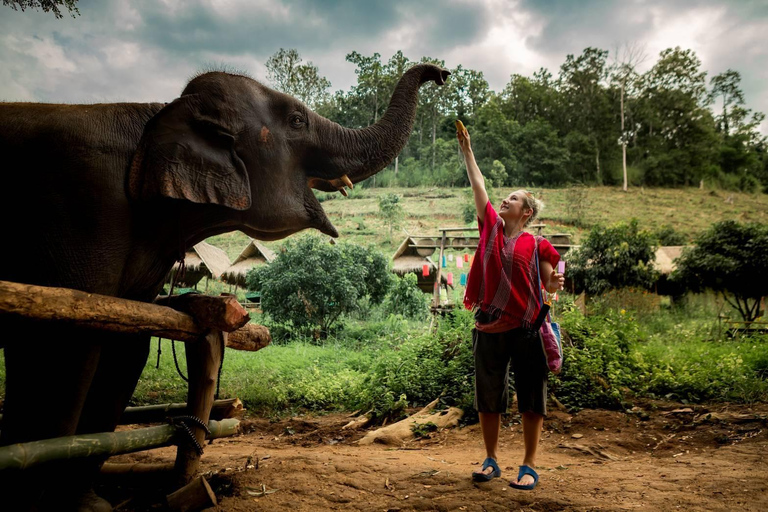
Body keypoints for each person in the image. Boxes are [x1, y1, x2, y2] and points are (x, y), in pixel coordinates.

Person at [456, 121, 564, 490]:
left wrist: (555, 282)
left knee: (532, 396)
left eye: (514, 199)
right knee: (489, 395)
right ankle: (491, 460)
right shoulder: (489, 227)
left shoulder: (538, 245)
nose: (505, 200)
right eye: (506, 197)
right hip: (488, 324)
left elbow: (549, 282)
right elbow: (479, 185)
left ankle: (529, 464)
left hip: (527, 328)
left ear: (527, 213)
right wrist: (468, 152)